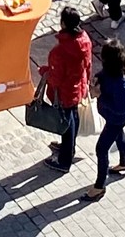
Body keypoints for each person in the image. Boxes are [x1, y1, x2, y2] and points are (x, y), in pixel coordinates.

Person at [83, 38, 125, 200]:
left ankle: (99, 186)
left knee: (101, 149)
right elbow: (104, 76)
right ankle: (124, 163)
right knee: (119, 136)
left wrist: (99, 94)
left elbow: (120, 107)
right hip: (116, 119)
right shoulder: (121, 70)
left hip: (116, 118)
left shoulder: (120, 82)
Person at [41, 9, 93, 170]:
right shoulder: (85, 40)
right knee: (73, 117)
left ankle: (64, 161)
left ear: (63, 24)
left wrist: (44, 72)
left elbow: (56, 78)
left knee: (66, 124)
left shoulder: (61, 51)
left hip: (65, 92)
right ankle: (68, 148)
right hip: (78, 86)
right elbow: (88, 64)